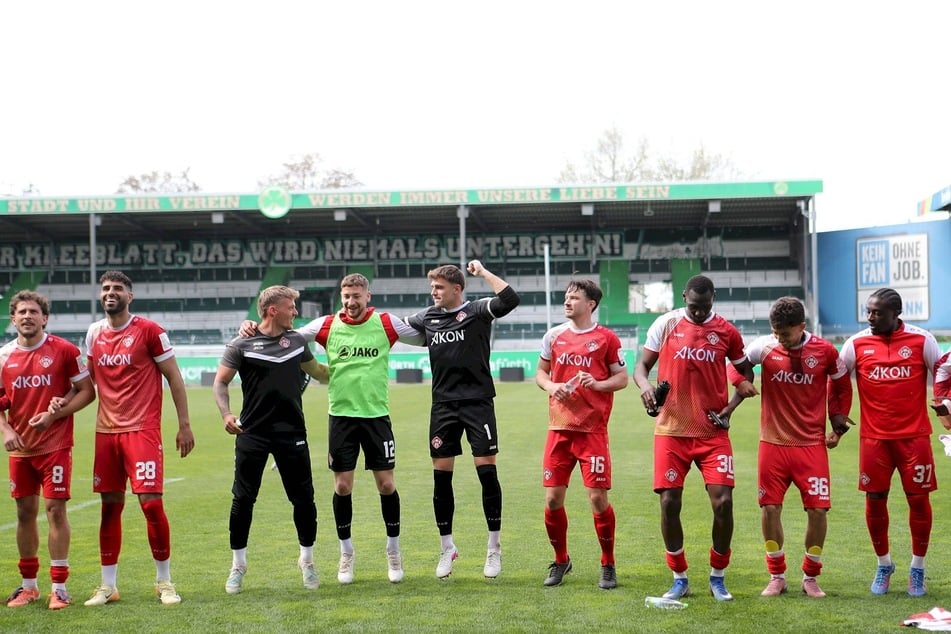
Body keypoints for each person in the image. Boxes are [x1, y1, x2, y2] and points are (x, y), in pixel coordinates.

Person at [239, 273, 423, 584]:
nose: (351, 302)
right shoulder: (325, 325)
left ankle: (393, 550)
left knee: (387, 485)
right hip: (341, 417)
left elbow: (424, 337)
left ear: (368, 296)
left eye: (357, 296)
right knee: (342, 487)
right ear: (342, 296)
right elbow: (286, 336)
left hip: (377, 416)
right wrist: (252, 328)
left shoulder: (386, 323)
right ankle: (346, 553)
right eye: (346, 296)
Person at [632, 274, 754, 602]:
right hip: (671, 431)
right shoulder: (666, 323)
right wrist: (645, 388)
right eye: (693, 306)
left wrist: (729, 409)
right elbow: (641, 367)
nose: (699, 313)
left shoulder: (727, 331)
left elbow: (745, 374)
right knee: (670, 502)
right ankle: (679, 577)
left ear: (713, 299)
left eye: (704, 307)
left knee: (724, 503)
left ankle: (718, 576)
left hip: (712, 433)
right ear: (684, 296)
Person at [725, 297, 853, 598]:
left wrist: (837, 425)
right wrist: (739, 381)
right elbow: (734, 365)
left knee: (818, 511)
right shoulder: (764, 346)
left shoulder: (824, 350)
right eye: (776, 332)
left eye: (785, 334)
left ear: (801, 327)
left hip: (811, 446)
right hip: (773, 444)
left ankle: (810, 576)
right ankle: (777, 574)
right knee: (770, 508)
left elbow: (842, 384)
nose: (779, 338)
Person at [82, 270, 195, 607]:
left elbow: (174, 377)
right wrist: (60, 402)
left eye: (117, 288)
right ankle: (108, 586)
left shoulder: (149, 331)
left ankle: (164, 581)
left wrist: (184, 424)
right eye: (105, 288)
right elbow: (88, 384)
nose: (110, 293)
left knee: (151, 504)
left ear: (130, 296)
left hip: (142, 431)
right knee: (109, 508)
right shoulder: (92, 333)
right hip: (106, 433)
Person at [405, 260, 520, 579]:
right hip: (442, 406)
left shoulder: (478, 311)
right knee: (441, 479)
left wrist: (482, 273)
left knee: (486, 474)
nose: (434, 293)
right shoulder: (426, 318)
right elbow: (393, 328)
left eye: (439, 288)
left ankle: (494, 548)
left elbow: (510, 299)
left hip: (478, 404)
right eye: (432, 287)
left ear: (457, 289)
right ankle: (447, 548)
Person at [215, 285, 330, 594]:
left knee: (303, 500)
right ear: (272, 310)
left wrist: (355, 369)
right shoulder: (241, 344)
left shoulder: (296, 341)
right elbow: (221, 382)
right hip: (251, 432)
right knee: (243, 499)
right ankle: (238, 565)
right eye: (291, 306)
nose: (296, 311)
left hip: (292, 433)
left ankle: (307, 560)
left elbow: (318, 372)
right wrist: (226, 414)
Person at [839, 288, 944, 597]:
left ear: (896, 314)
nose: (870, 317)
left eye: (877, 313)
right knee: (874, 500)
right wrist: (838, 417)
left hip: (914, 439)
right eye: (868, 311)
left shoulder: (922, 340)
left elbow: (944, 374)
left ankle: (918, 569)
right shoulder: (856, 343)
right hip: (874, 440)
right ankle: (884, 564)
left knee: (918, 501)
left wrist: (944, 403)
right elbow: (837, 379)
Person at [0, 291, 96, 609]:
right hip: (20, 450)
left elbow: (86, 392)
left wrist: (56, 414)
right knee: (24, 513)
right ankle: (29, 586)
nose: (27, 316)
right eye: (21, 312)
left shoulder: (64, 351)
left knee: (56, 511)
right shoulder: (3, 357)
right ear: (13, 319)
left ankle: (59, 586)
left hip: (55, 447)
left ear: (45, 318)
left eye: (34, 311)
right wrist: (6, 428)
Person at [534, 279, 628, 589]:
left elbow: (622, 378)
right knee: (552, 500)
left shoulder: (606, 339)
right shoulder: (554, 336)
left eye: (574, 298)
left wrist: (598, 384)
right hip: (558, 430)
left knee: (598, 499)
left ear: (591, 304)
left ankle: (608, 563)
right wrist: (551, 386)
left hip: (592, 431)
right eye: (566, 297)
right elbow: (541, 373)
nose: (567, 302)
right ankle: (561, 560)